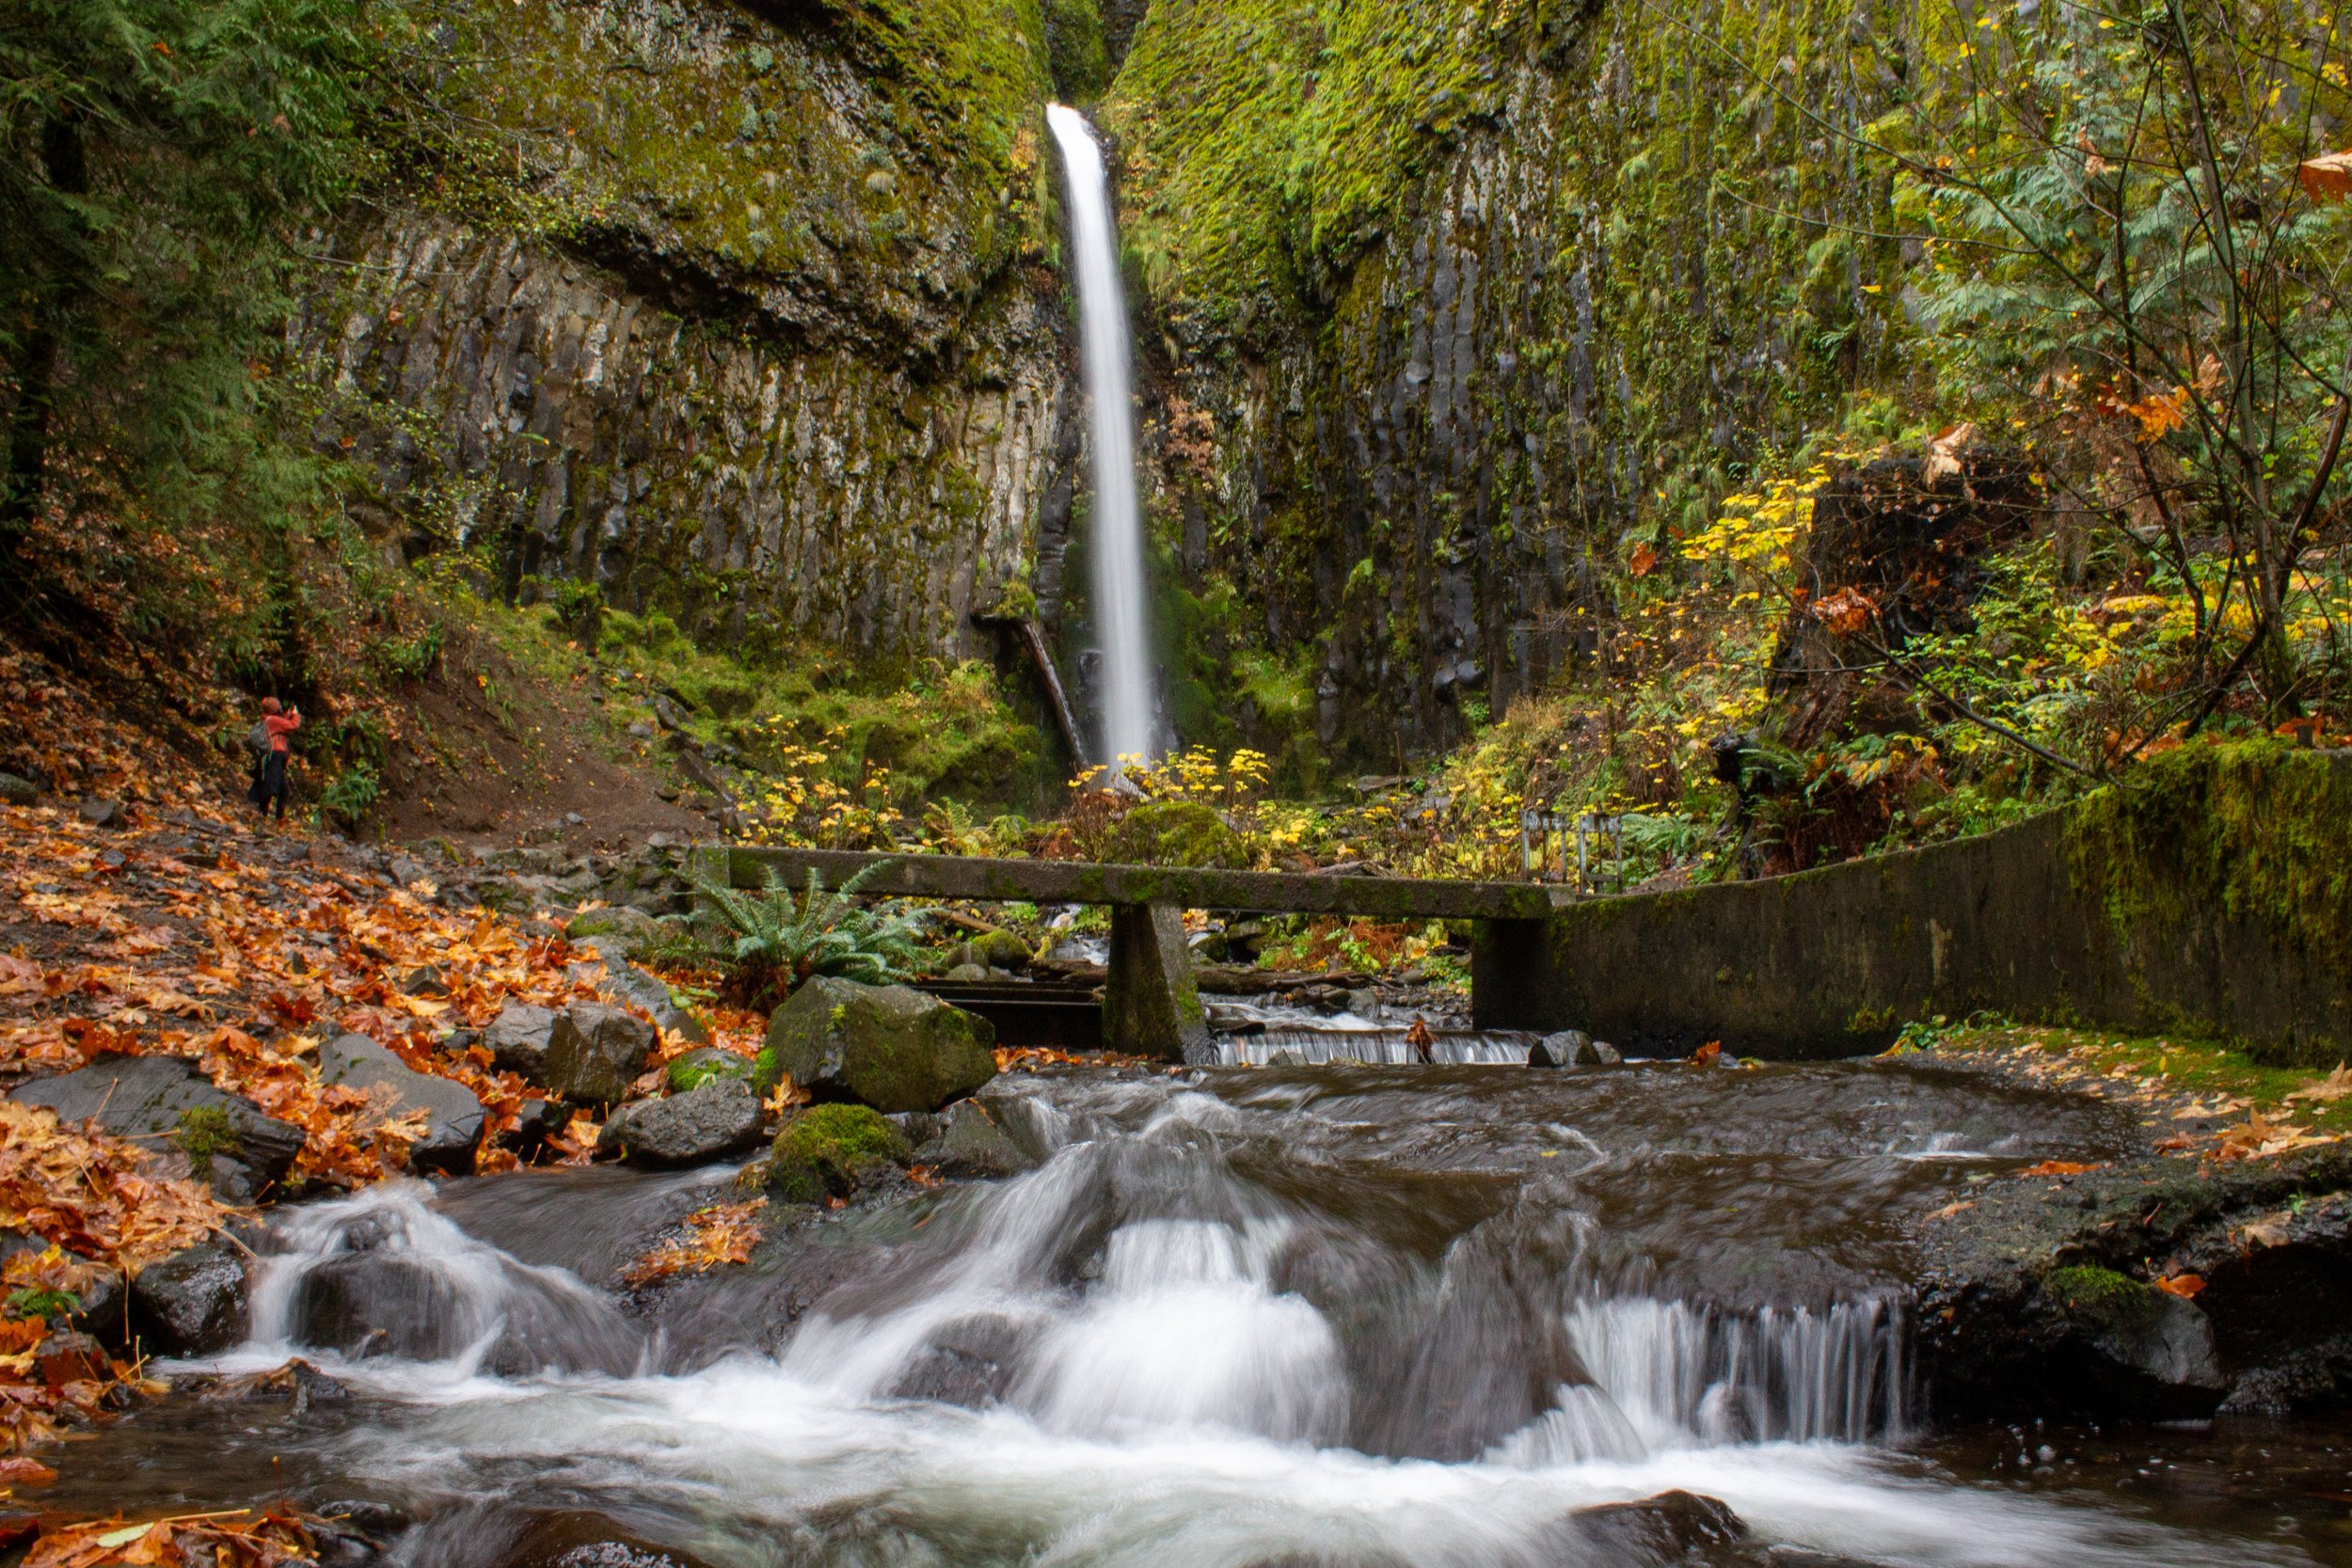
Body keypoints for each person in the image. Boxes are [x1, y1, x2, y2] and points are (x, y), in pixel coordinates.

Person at [246, 697, 301, 822]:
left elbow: (282, 724)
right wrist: (296, 715)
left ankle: (278, 818)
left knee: (283, 790)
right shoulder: (272, 720)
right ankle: (263, 815)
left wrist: (288, 715)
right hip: (275, 756)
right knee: (270, 787)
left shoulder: (270, 720)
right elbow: (293, 726)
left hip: (276, 757)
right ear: (275, 709)